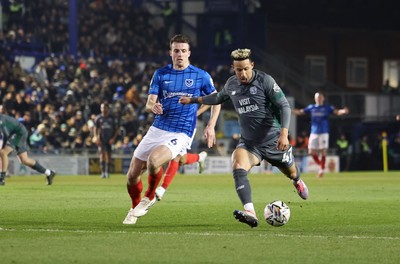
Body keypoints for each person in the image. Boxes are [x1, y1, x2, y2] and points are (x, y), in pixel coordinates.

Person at [179, 48, 308, 228]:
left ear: (252, 65)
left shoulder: (265, 81)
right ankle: (250, 212)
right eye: (239, 70)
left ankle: (297, 181)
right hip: (250, 144)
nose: (243, 73)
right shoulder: (232, 84)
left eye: (246, 68)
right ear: (234, 68)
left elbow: (284, 106)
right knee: (237, 165)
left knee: (291, 172)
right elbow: (218, 97)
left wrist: (284, 133)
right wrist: (193, 100)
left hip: (274, 140)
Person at [122, 34, 221, 225]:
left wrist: (211, 125)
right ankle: (134, 208)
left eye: (184, 51)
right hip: (158, 127)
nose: (180, 54)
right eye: (176, 51)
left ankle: (149, 197)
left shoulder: (200, 76)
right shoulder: (161, 74)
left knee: (154, 161)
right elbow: (150, 101)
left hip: (181, 131)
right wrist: (153, 106)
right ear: (170, 53)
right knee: (132, 176)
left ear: (189, 53)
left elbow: (216, 99)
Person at [155, 105, 211, 201]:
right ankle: (199, 157)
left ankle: (162, 189)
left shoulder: (196, 90)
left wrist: (197, 112)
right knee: (182, 160)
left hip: (186, 125)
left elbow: (210, 99)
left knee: (176, 156)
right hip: (170, 123)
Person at [292, 91, 349, 178]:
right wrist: (289, 110)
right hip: (314, 132)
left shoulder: (327, 107)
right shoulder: (312, 107)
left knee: (323, 151)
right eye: (317, 97)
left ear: (323, 98)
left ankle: (321, 169)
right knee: (311, 151)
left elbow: (336, 112)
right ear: (315, 98)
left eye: (320, 97)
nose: (318, 99)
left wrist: (343, 111)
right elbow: (300, 112)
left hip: (323, 132)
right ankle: (321, 165)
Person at [0, 114, 56, 186]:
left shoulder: (0, 119)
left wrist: (4, 146)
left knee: (3, 152)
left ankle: (2, 178)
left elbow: (5, 134)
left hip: (18, 133)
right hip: (18, 132)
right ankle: (49, 173)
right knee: (24, 160)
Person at [94, 102, 119, 178]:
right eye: (101, 108)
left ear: (108, 108)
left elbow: (116, 129)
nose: (103, 109)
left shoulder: (112, 118)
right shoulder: (98, 118)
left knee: (109, 155)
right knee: (102, 155)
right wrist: (96, 137)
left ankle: (107, 172)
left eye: (104, 108)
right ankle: (102, 172)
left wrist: (113, 138)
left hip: (109, 139)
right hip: (101, 139)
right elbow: (95, 128)